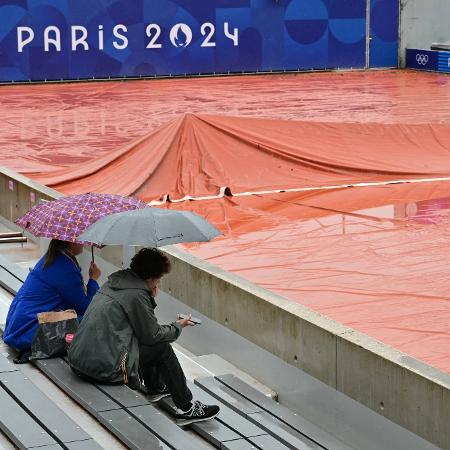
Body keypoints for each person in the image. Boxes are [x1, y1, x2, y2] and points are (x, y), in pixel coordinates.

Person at [68, 247, 220, 426]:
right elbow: (153, 335)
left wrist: (148, 296)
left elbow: (140, 329)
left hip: (79, 361)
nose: (159, 283)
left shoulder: (116, 281)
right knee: (161, 348)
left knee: (140, 339)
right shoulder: (137, 295)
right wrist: (178, 326)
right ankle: (186, 408)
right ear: (150, 278)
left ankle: (155, 388)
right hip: (103, 368)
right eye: (158, 279)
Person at [3, 239, 101, 362]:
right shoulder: (66, 268)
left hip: (17, 328)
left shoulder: (52, 258)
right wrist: (93, 280)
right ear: (72, 243)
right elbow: (86, 309)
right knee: (94, 321)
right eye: (82, 240)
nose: (85, 243)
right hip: (29, 334)